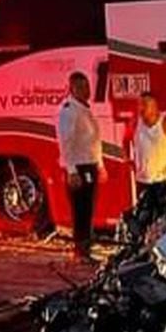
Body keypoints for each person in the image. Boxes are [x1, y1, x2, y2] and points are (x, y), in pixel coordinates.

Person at [56, 71, 106, 262]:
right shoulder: (69, 111)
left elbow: (93, 141)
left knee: (88, 208)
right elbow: (65, 142)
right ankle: (80, 251)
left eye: (87, 86)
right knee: (80, 209)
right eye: (81, 87)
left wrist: (100, 165)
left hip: (90, 166)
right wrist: (71, 171)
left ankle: (86, 248)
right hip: (78, 168)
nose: (86, 91)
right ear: (72, 88)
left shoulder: (84, 109)